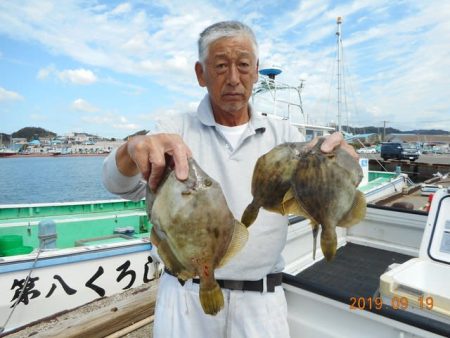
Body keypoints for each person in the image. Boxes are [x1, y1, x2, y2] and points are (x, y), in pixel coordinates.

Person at [103, 20, 358, 338]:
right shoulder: (173, 130)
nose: (234, 78)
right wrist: (132, 148)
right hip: (183, 298)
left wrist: (340, 167)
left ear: (256, 71)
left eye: (243, 65)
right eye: (221, 66)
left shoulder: (285, 136)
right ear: (201, 73)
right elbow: (118, 184)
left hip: (262, 304)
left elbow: (313, 192)